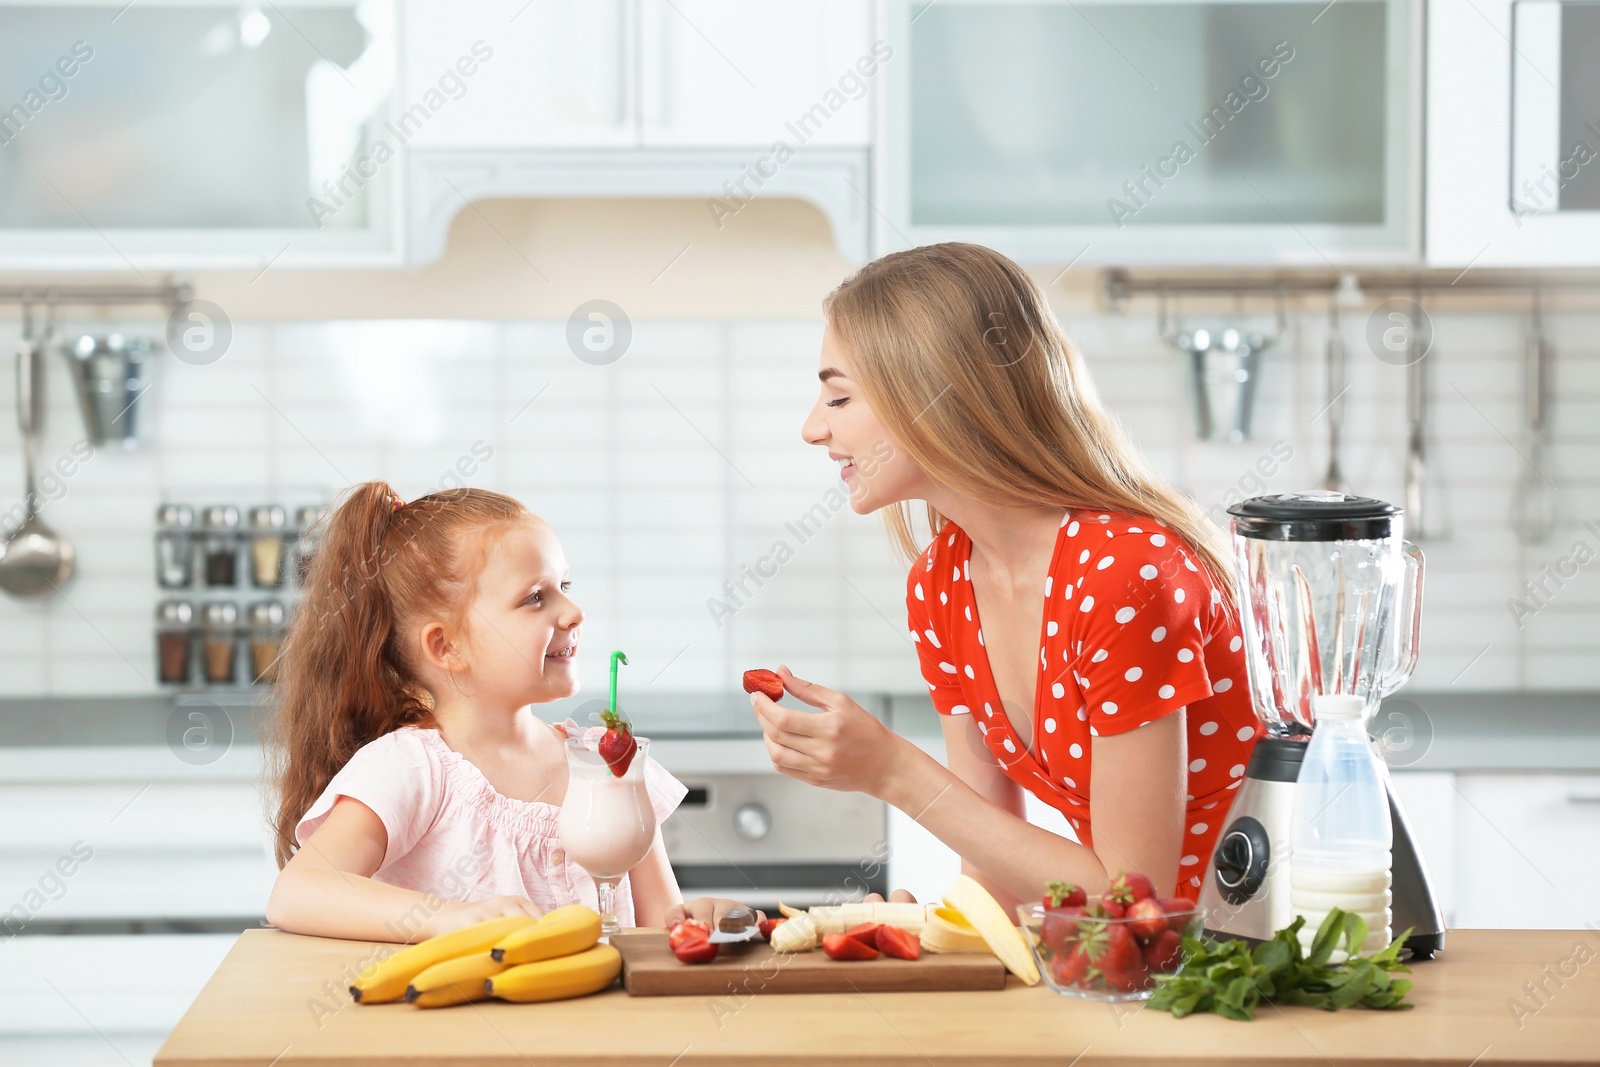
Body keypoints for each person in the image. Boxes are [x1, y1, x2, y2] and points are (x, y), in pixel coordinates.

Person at [752, 243, 1260, 912]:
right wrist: (926, 930)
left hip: (1265, 962)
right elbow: (992, 880)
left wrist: (894, 771)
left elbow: (1137, 900)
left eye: (839, 395)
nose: (812, 427)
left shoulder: (1126, 576)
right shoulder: (942, 585)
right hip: (1145, 978)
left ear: (932, 397)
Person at [265, 482, 746, 941]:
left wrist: (694, 923)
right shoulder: (412, 769)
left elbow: (659, 930)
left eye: (564, 585)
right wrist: (449, 919)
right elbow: (298, 893)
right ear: (447, 646)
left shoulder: (605, 764)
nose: (574, 610)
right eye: (536, 597)